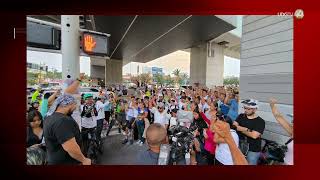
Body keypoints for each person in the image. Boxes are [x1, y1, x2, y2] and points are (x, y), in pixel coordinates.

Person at [44, 94, 91, 165]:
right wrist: (84, 160)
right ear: (69, 104)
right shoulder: (62, 121)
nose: (75, 107)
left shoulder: (49, 117)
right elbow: (70, 147)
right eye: (75, 104)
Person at [233, 99, 265, 165]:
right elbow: (234, 126)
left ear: (255, 109)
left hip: (253, 149)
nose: (246, 110)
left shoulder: (260, 121)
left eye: (248, 109)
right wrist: (247, 130)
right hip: (239, 145)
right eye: (245, 108)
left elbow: (254, 136)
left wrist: (241, 129)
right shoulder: (241, 116)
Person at [269, 98, 293, 165]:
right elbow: (279, 117)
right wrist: (272, 105)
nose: (292, 123)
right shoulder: (292, 131)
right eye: (292, 121)